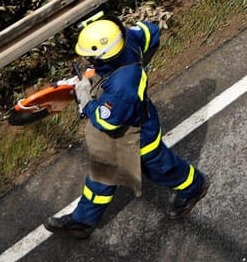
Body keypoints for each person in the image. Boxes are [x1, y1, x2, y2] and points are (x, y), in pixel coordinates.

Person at [44, 17, 210, 239]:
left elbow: (108, 121)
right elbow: (150, 30)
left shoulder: (123, 84)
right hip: (129, 122)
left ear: (104, 56)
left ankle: (194, 187)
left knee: (161, 167)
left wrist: (87, 104)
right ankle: (82, 221)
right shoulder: (127, 39)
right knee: (102, 176)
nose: (87, 61)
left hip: (139, 133)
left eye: (90, 58)